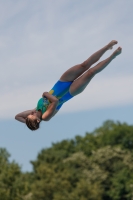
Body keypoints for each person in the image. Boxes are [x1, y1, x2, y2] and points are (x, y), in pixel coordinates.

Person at [15, 40, 122, 130]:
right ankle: (112, 56)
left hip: (61, 82)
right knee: (91, 72)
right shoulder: (45, 116)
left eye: (30, 114)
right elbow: (55, 101)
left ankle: (107, 47)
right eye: (32, 116)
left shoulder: (35, 109)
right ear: (38, 120)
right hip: (70, 92)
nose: (32, 113)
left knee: (84, 65)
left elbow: (17, 117)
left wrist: (28, 122)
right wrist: (45, 94)